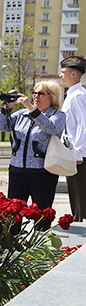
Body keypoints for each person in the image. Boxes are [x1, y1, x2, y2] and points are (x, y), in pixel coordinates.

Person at [0, 80, 67, 219]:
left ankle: (41, 239)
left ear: (52, 96)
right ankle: (13, 239)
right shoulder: (22, 114)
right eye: (34, 93)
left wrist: (32, 109)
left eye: (41, 93)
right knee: (13, 215)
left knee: (42, 215)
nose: (36, 96)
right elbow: (1, 125)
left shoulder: (58, 115)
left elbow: (51, 128)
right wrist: (7, 107)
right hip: (17, 170)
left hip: (43, 172)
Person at [60, 55, 86, 221]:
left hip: (79, 155)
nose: (60, 75)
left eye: (63, 72)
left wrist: (77, 153)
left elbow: (83, 126)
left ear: (73, 74)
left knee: (79, 198)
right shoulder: (72, 95)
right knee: (76, 196)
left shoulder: (78, 96)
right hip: (74, 153)